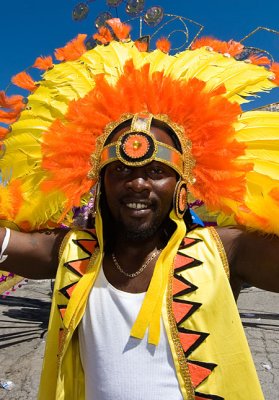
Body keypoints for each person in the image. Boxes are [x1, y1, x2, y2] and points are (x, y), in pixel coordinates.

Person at [0, 18, 279, 400]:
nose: (138, 183)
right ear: (100, 185)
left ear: (182, 186)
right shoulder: (72, 255)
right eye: (120, 170)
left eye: (156, 172)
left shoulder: (224, 251)